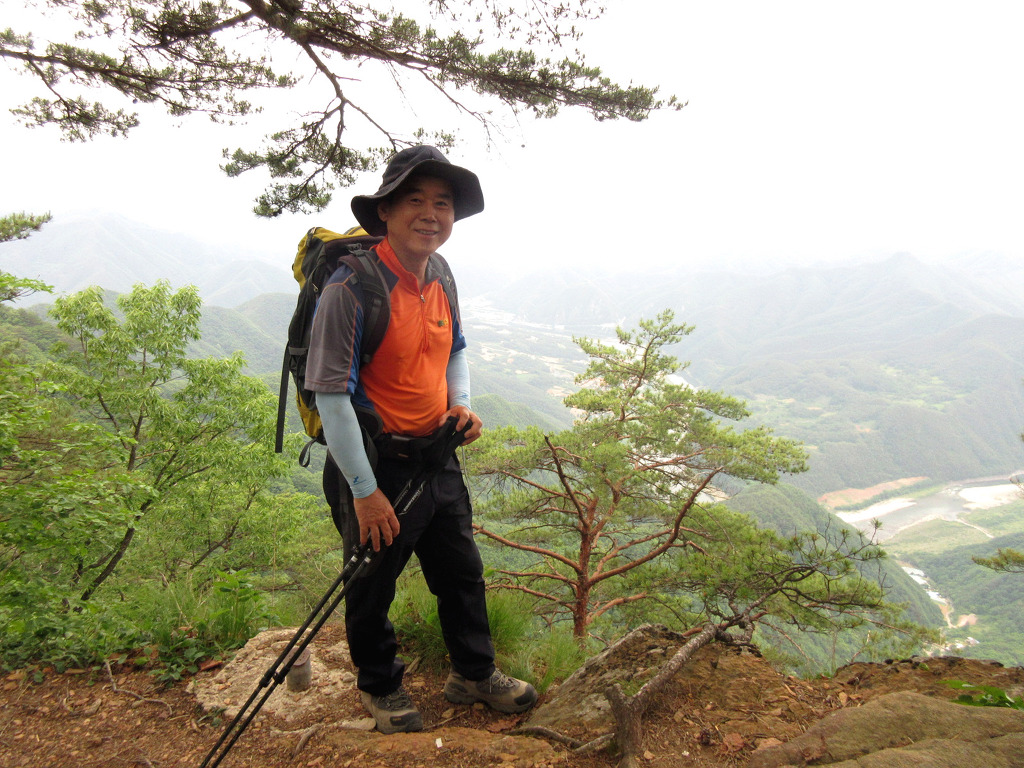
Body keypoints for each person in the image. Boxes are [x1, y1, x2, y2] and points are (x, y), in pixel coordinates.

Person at [304, 145, 537, 734]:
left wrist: (461, 405)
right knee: (371, 582)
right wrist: (364, 492)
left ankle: (473, 673)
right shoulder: (350, 288)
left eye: (443, 203)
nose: (431, 214)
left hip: (437, 454)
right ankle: (380, 686)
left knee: (461, 571)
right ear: (385, 210)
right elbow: (331, 398)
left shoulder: (441, 274)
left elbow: (455, 350)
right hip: (374, 463)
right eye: (415, 200)